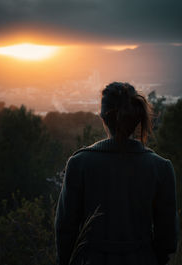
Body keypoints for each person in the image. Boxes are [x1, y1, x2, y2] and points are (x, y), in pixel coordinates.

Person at [55, 82, 179, 265]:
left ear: (102, 117)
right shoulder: (161, 168)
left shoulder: (79, 164)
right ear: (137, 117)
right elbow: (168, 238)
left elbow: (65, 230)